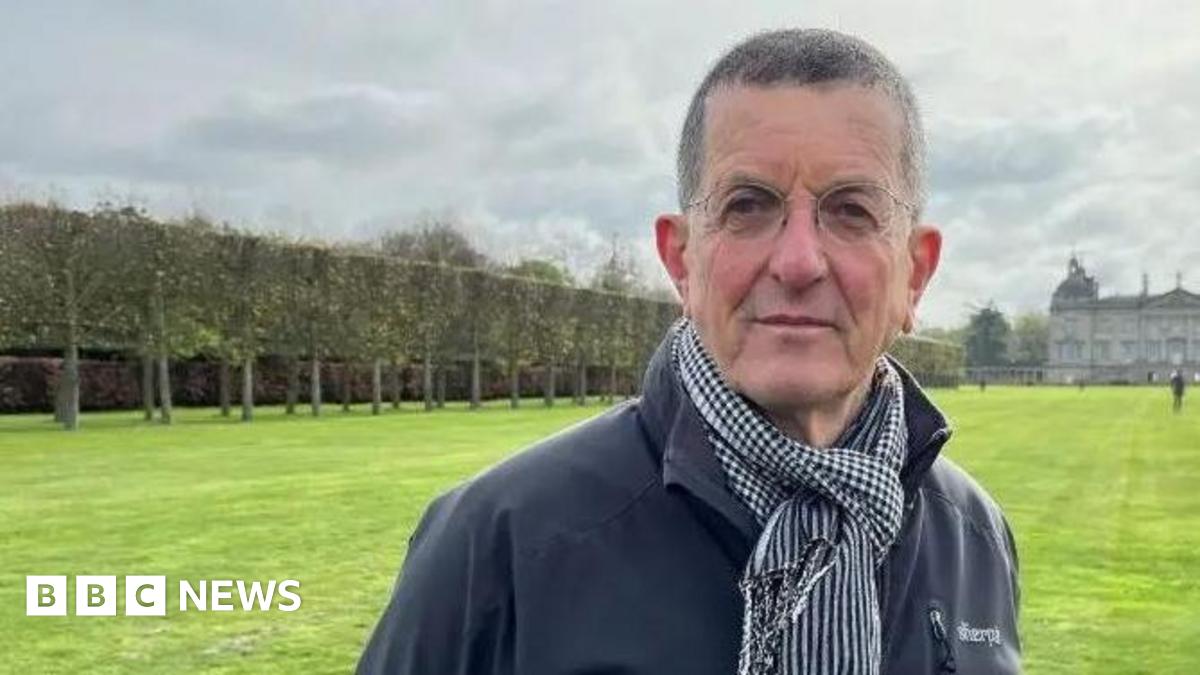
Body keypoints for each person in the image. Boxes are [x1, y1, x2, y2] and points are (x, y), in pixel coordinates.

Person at [358, 29, 1021, 674]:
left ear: (915, 272)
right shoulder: (495, 542)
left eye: (851, 211)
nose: (797, 261)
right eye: (747, 206)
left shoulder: (975, 538)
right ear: (681, 260)